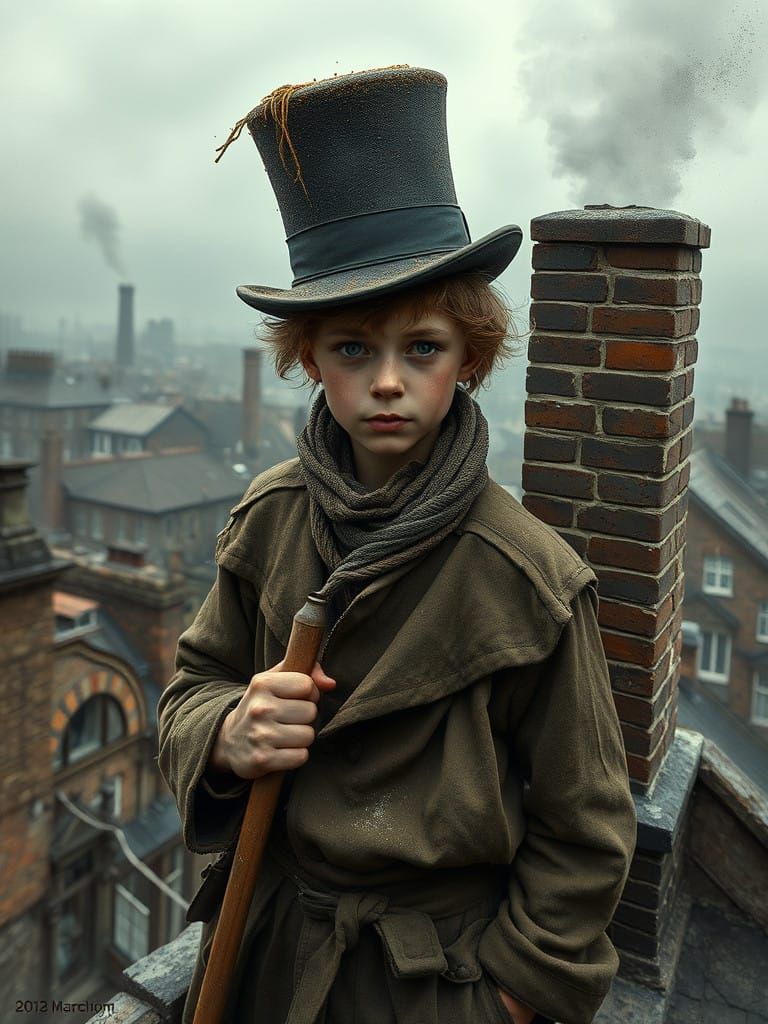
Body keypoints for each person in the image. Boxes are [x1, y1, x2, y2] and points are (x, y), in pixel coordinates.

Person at [157, 65, 636, 1024]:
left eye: (420, 348)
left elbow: (585, 828)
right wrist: (227, 731)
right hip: (268, 947)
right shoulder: (271, 516)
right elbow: (192, 685)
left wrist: (506, 995)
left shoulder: (529, 576)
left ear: (469, 355)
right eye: (351, 350)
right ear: (308, 360)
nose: (386, 382)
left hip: (432, 982)